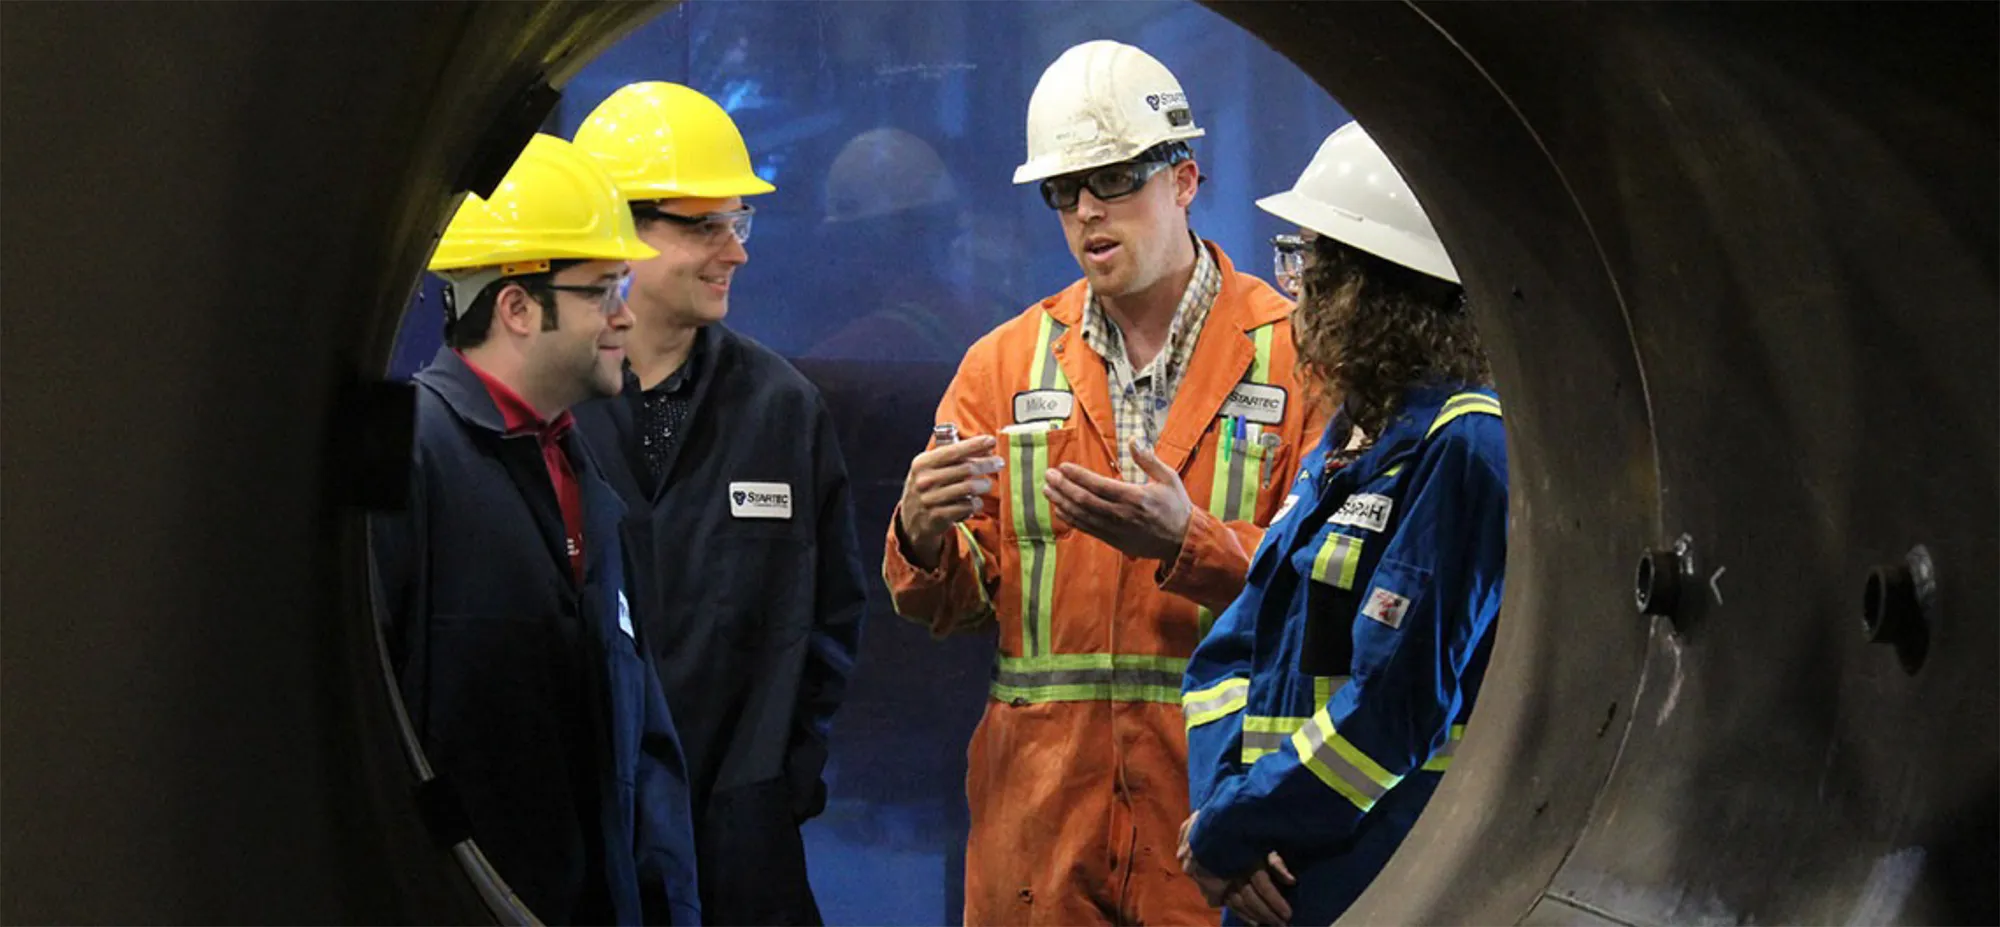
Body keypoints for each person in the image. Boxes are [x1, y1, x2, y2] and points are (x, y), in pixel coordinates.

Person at [881, 39, 1324, 925]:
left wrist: (1186, 541)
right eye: (1064, 191)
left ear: (1186, 179)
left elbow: (1340, 592)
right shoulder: (1003, 364)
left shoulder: (1302, 355)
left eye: (1115, 179)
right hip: (1039, 838)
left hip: (1216, 823)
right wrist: (922, 534)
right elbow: (954, 599)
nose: (1087, 211)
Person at [1176, 122, 1508, 926]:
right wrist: (1225, 815)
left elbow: (1397, 704)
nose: (1295, 289)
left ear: (1374, 291)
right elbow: (1230, 648)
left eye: (1313, 264)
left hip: (1373, 871)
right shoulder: (1350, 437)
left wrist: (1239, 828)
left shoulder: (1464, 447)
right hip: (1276, 871)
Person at [371, 133, 702, 925]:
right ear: (517, 306)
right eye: (603, 290)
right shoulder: (411, 455)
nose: (625, 314)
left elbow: (640, 736)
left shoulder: (577, 468)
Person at [569, 81, 867, 927]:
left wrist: (778, 781)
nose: (733, 251)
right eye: (703, 225)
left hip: (747, 850)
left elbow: (833, 617)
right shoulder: (552, 410)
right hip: (593, 844)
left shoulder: (781, 408)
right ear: (618, 232)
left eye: (738, 224)